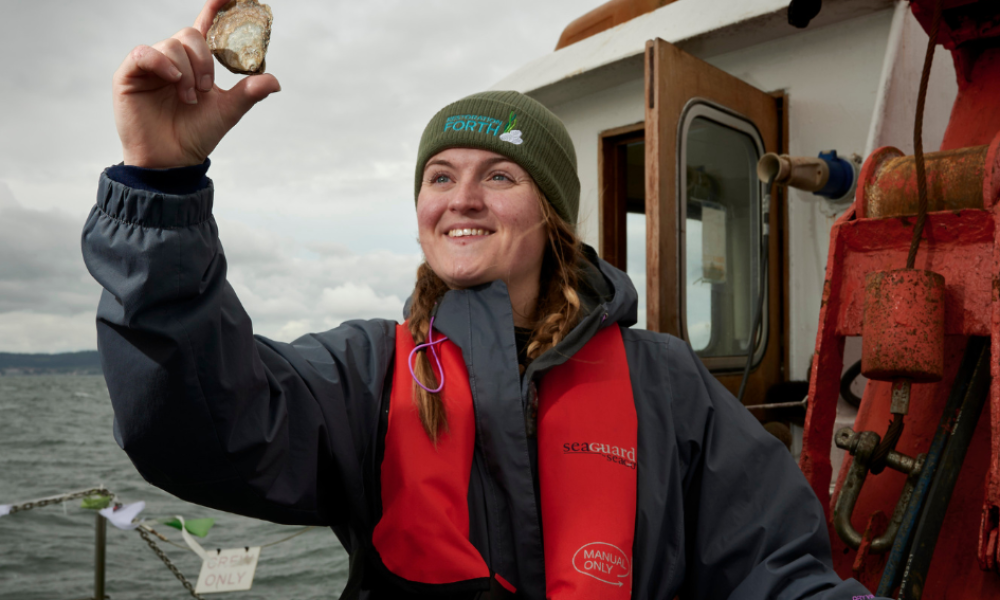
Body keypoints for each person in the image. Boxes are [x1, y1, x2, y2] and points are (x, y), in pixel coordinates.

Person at [82, 2, 885, 598]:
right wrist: (161, 185)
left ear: (552, 214)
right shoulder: (365, 371)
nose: (461, 199)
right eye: (440, 177)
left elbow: (773, 567)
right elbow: (198, 428)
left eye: (498, 176)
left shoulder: (666, 381)